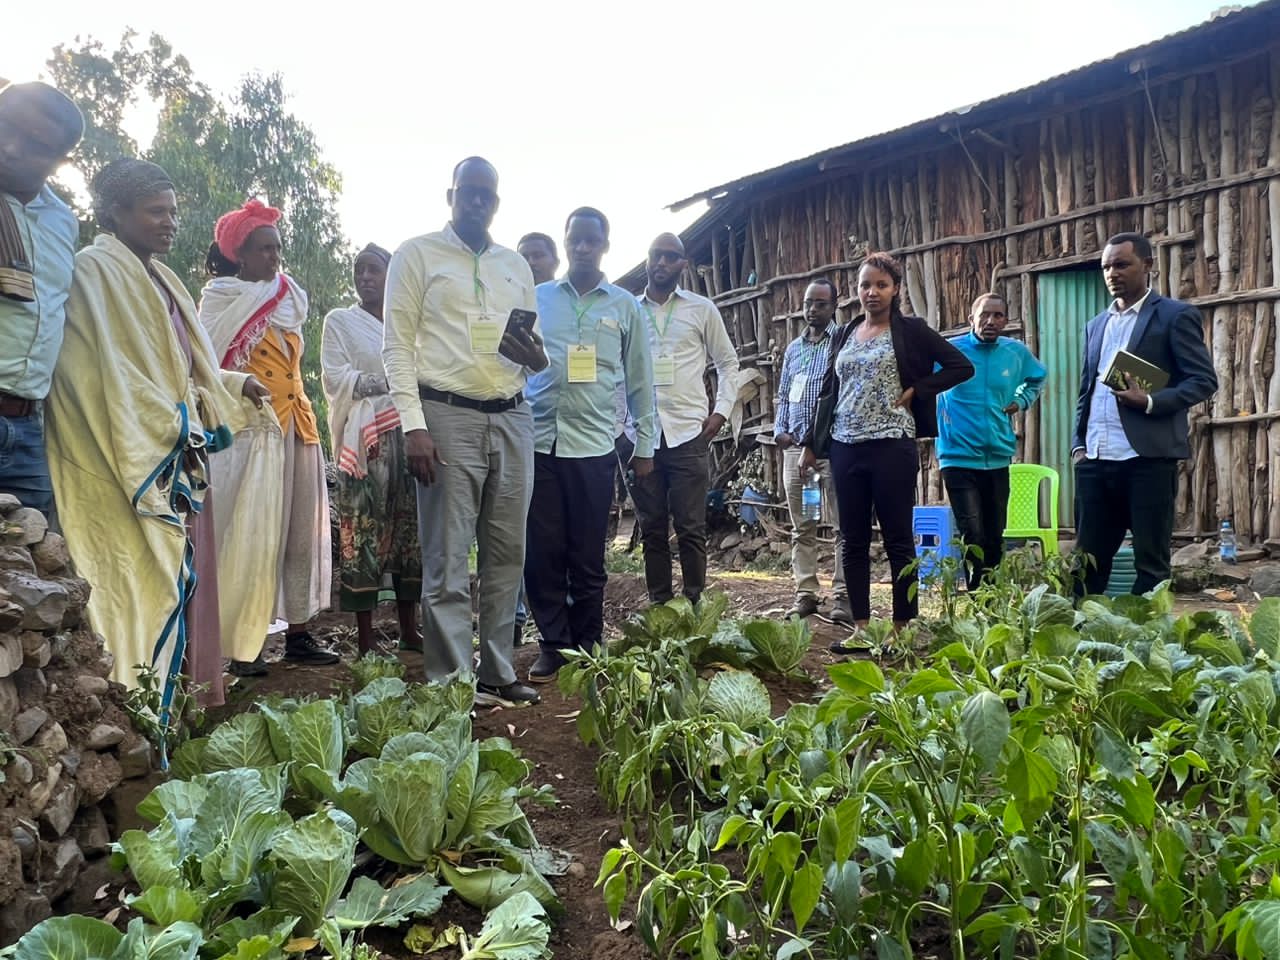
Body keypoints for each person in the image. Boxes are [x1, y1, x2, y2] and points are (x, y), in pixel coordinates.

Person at [45, 158, 269, 709]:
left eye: (172, 211)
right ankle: (141, 708)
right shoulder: (93, 273)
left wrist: (233, 383)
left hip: (175, 453)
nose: (169, 222)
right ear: (115, 212)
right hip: (125, 459)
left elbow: (183, 364)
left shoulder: (164, 279)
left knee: (185, 578)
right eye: (155, 212)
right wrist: (181, 421)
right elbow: (105, 376)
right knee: (137, 579)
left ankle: (185, 705)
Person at [383, 157, 547, 708]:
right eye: (468, 192)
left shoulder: (514, 265)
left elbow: (534, 350)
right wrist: (414, 426)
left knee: (507, 552)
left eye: (487, 195)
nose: (478, 201)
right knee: (449, 556)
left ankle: (497, 671)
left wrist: (538, 358)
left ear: (496, 203)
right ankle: (452, 683)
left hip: (513, 414)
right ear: (450, 195)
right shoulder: (416, 254)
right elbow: (396, 347)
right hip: (446, 415)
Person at [802, 252, 972, 640]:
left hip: (891, 445)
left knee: (897, 538)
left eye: (881, 285)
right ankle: (861, 627)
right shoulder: (845, 333)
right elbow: (830, 389)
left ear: (895, 289)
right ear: (857, 290)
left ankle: (902, 626)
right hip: (845, 446)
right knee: (853, 539)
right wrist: (812, 443)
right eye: (865, 285)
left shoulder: (911, 330)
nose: (872, 292)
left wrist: (918, 389)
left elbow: (960, 366)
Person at [199, 199, 336, 671]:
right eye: (263, 248)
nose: (274, 256)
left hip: (297, 425)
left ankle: (298, 633)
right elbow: (201, 367)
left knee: (300, 533)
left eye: (277, 247)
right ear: (239, 253)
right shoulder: (219, 300)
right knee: (254, 533)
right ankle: (246, 644)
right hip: (251, 435)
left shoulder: (289, 298)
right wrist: (240, 383)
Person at [524, 207, 655, 683]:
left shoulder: (624, 306)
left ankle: (588, 644)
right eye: (575, 240)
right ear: (565, 243)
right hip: (539, 442)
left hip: (595, 446)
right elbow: (511, 362)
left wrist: (645, 444)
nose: (582, 248)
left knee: (587, 553)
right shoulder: (538, 298)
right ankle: (552, 644)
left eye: (591, 241)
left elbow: (640, 379)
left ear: (604, 246)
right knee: (542, 552)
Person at [1071, 232, 1217, 595]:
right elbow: (1087, 390)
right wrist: (1078, 445)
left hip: (1147, 460)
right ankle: (1080, 628)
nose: (1112, 273)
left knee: (1151, 564)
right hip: (1095, 459)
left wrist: (1150, 401)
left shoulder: (1174, 316)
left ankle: (1148, 629)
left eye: (1122, 264)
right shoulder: (1096, 325)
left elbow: (1203, 381)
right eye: (1106, 267)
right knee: (1086, 565)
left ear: (1147, 265)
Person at [321, 244, 421, 655]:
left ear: (391, 275)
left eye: (374, 270)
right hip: (364, 443)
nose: (365, 277)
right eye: (359, 270)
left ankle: (409, 630)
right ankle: (366, 640)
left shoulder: (407, 321)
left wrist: (401, 384)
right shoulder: (339, 322)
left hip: (410, 436)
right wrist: (393, 382)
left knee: (409, 532)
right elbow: (336, 377)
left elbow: (425, 368)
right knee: (362, 534)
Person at [631, 232, 738, 605]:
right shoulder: (630, 310)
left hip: (688, 434)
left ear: (683, 264)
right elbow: (613, 369)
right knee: (651, 527)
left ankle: (694, 605)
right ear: (647, 259)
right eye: (655, 255)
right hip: (641, 435)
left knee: (691, 527)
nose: (661, 262)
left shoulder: (701, 309)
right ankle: (659, 604)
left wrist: (721, 411)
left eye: (670, 256)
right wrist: (619, 428)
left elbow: (727, 362)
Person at [0, 82, 84, 515]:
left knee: (31, 552)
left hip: (28, 430)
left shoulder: (63, 223)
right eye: (5, 127)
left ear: (59, 161)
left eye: (36, 145)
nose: (11, 148)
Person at [936, 293, 1046, 590]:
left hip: (998, 455)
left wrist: (1021, 400)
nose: (991, 321)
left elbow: (1037, 378)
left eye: (998, 315)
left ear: (1006, 321)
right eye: (984, 314)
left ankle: (990, 595)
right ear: (971, 318)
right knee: (972, 532)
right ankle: (978, 593)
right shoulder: (950, 351)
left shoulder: (1015, 353)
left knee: (995, 534)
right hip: (957, 455)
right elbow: (919, 378)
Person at [775, 279, 849, 622]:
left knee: (842, 525)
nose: (812, 310)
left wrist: (815, 443)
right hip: (796, 454)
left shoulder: (842, 343)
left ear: (834, 306)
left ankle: (843, 594)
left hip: (831, 451)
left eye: (820, 304)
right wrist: (780, 431)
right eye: (808, 303)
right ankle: (806, 593)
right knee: (804, 523)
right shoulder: (794, 349)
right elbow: (784, 393)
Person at [513, 232, 561, 643]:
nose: (530, 262)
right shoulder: (508, 303)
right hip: (516, 427)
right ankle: (514, 617)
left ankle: (557, 624)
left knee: (552, 533)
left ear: (554, 260)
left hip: (563, 436)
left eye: (537, 255)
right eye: (523, 256)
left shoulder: (563, 303)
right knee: (512, 526)